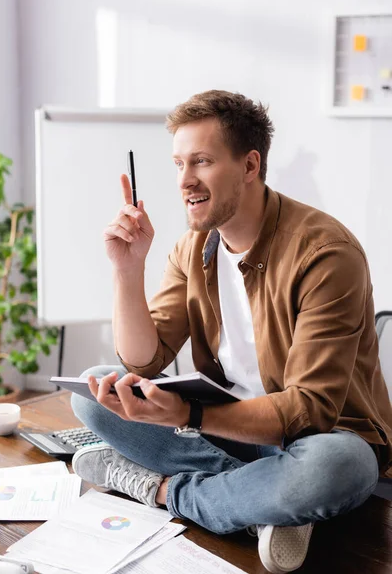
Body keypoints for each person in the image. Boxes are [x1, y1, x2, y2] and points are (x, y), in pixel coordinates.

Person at [71, 90, 392, 574]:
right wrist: (127, 270)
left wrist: (188, 413)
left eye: (201, 161)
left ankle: (164, 491)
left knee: (338, 468)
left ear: (249, 166)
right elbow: (144, 361)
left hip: (318, 438)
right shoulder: (191, 248)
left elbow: (308, 409)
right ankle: (260, 501)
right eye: (178, 163)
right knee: (95, 389)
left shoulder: (326, 254)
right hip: (228, 430)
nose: (184, 181)